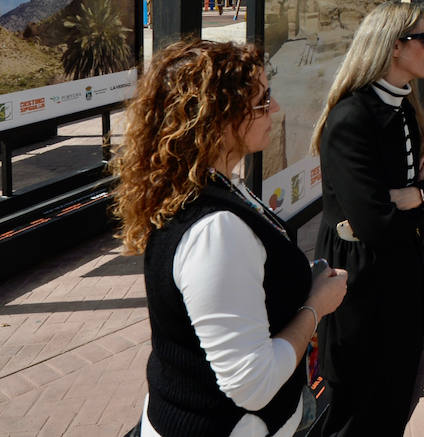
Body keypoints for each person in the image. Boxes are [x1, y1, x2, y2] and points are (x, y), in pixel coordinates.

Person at [114, 40, 349, 437]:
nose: (276, 109)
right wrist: (315, 307)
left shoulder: (202, 186)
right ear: (217, 119)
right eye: (262, 101)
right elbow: (252, 384)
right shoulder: (215, 231)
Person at [311, 1, 424, 436]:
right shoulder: (352, 118)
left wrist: (414, 196)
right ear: (393, 47)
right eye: (423, 39)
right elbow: (374, 223)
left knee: (392, 406)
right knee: (357, 413)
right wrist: (414, 200)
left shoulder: (404, 108)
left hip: (398, 281)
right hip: (360, 291)